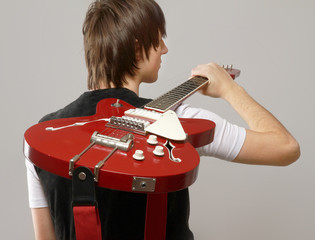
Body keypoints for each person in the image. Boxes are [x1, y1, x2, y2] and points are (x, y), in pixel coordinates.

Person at [25, 0, 300, 239]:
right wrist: (231, 90)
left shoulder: (42, 137)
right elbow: (286, 147)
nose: (165, 50)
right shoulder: (178, 122)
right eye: (159, 40)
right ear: (136, 48)